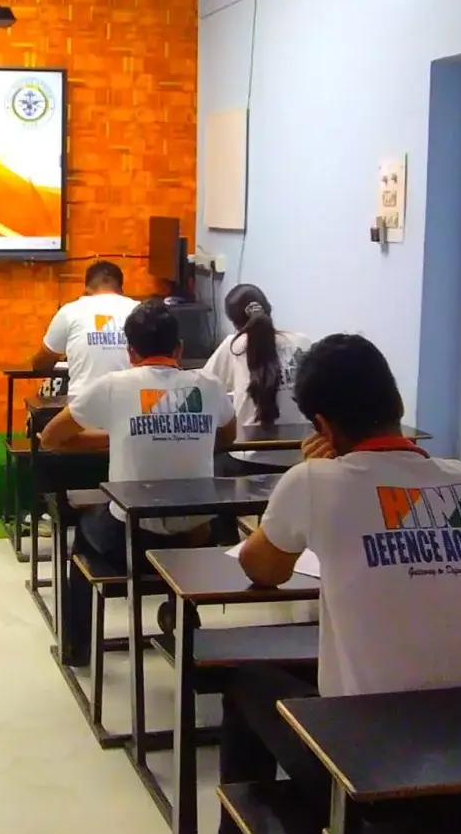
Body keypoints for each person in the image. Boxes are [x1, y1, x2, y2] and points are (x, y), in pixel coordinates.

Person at [185, 336, 461, 834]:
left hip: (374, 767)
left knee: (245, 681)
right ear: (395, 403)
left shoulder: (316, 481)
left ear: (322, 425)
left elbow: (262, 569)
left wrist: (311, 475)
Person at [40, 297, 235, 666]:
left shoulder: (114, 386)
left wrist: (119, 435)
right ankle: (179, 609)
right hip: (197, 537)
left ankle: (77, 647)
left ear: (130, 352)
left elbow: (51, 438)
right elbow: (229, 435)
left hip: (132, 540)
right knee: (188, 518)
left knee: (83, 536)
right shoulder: (209, 385)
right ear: (179, 348)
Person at [200, 283, 307, 430]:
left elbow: (201, 389)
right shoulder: (302, 343)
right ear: (269, 309)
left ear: (234, 324)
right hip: (301, 442)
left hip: (246, 443)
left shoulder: (234, 346)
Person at [34, 260, 139, 399]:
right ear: (121, 289)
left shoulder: (70, 311)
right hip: (130, 402)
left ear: (86, 289)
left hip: (82, 403)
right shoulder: (140, 310)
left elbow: (42, 363)